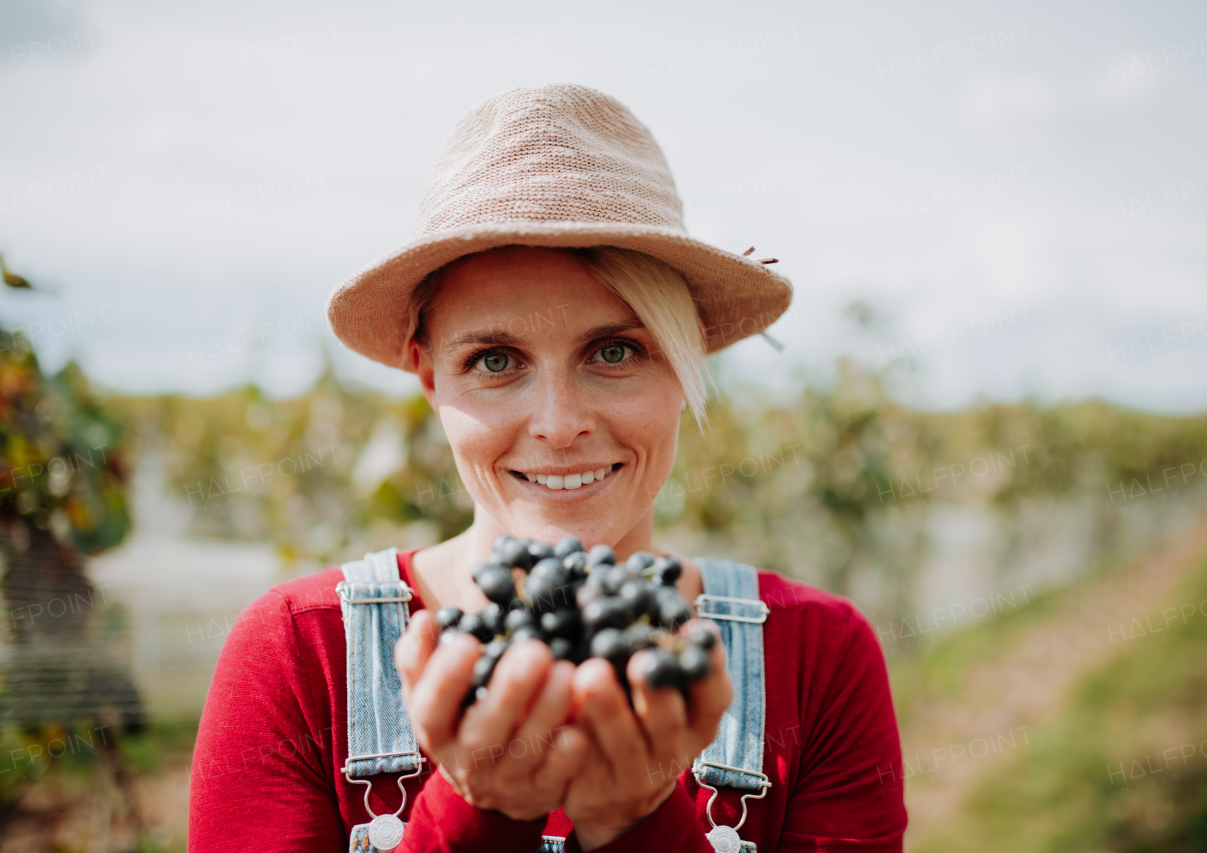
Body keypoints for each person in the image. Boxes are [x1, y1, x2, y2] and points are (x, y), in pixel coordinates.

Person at [189, 83, 907, 852]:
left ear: (686, 362)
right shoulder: (300, 656)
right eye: (495, 359)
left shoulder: (820, 660)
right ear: (429, 377)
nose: (560, 425)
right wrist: (473, 812)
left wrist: (639, 824)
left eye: (615, 351)